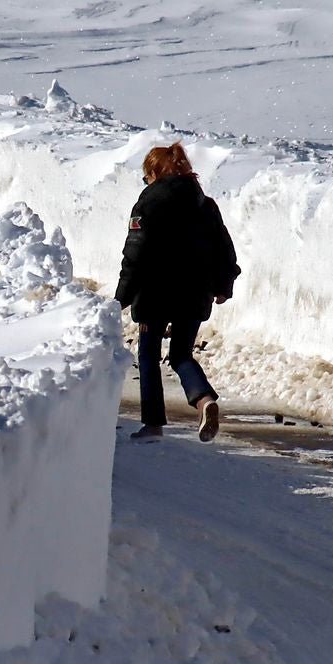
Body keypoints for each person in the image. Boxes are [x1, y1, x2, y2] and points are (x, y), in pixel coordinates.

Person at [114, 143, 240, 442]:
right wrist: (223, 286)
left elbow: (136, 252)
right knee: (181, 354)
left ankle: (153, 425)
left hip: (156, 292)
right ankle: (205, 401)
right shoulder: (205, 204)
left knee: (147, 354)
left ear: (155, 171)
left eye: (147, 174)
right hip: (195, 292)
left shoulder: (148, 202)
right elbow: (224, 249)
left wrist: (121, 297)